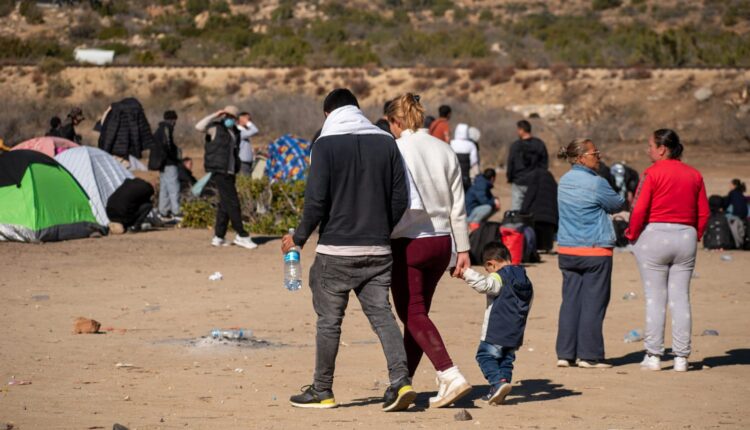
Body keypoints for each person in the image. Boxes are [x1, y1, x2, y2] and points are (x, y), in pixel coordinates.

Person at [280, 88, 415, 412]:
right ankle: (401, 382)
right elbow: (401, 199)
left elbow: (316, 202)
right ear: (357, 109)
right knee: (383, 316)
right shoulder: (386, 142)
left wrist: (298, 239)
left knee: (329, 321)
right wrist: (382, 229)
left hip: (336, 253)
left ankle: (322, 390)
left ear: (328, 114)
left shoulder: (325, 145)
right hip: (379, 250)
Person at [386, 93, 473, 408]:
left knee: (413, 314)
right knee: (418, 316)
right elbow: (459, 205)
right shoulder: (443, 148)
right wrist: (462, 248)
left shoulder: (395, 149)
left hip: (409, 242)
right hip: (442, 242)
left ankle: (449, 373)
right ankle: (402, 384)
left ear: (395, 121)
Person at [625, 129, 710, 372]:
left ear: (662, 148)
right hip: (686, 236)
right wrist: (695, 235)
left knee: (655, 298)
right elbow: (703, 212)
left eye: (650, 145)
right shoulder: (694, 174)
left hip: (656, 236)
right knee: (681, 298)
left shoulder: (652, 173)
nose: (647, 150)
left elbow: (639, 209)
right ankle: (682, 358)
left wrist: (631, 234)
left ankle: (654, 355)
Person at [555, 138, 625, 369]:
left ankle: (565, 354)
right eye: (595, 153)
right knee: (594, 303)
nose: (599, 156)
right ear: (581, 157)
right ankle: (589, 355)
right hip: (595, 249)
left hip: (567, 249)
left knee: (570, 302)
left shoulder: (563, 181)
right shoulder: (597, 183)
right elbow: (617, 204)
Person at [460, 241, 533, 405]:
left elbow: (485, 285)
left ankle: (497, 383)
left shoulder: (499, 276)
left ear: (491, 264)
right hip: (515, 331)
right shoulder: (524, 278)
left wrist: (466, 273)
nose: (488, 273)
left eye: (487, 270)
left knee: (484, 356)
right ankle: (500, 389)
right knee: (506, 360)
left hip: (496, 330)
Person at [195, 105, 257, 250]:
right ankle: (242, 235)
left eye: (232, 117)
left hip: (230, 171)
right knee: (233, 203)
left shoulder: (235, 131)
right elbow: (199, 126)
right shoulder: (215, 128)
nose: (229, 119)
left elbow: (251, 132)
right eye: (227, 116)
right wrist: (215, 114)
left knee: (225, 204)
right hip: (219, 170)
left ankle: (219, 236)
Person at [506, 120, 549, 211]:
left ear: (522, 130)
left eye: (518, 129)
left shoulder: (515, 145)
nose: (517, 132)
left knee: (516, 209)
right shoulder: (539, 144)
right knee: (533, 208)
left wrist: (510, 177)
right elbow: (544, 163)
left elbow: (510, 163)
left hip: (518, 181)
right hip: (535, 181)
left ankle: (517, 224)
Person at [516, 166, 558, 252]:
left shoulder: (536, 176)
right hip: (551, 216)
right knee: (547, 237)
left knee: (537, 233)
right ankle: (547, 247)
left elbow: (530, 194)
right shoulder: (551, 178)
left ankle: (538, 248)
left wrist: (523, 210)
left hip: (537, 215)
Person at [152, 110, 182, 220]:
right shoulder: (167, 128)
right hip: (169, 163)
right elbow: (168, 146)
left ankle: (163, 211)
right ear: (173, 119)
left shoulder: (160, 129)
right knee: (174, 187)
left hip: (162, 164)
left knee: (164, 188)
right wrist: (174, 157)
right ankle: (176, 212)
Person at [450, 123, 480, 190]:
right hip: (466, 176)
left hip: (453, 175)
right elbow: (474, 161)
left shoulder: (451, 143)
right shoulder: (471, 145)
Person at [237, 111, 259, 176]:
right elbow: (255, 130)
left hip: (246, 163)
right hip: (242, 163)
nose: (250, 122)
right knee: (245, 183)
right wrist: (247, 122)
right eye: (248, 119)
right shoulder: (239, 131)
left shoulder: (243, 131)